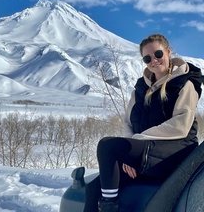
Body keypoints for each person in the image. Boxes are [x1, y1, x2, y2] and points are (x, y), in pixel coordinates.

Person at [83, 34, 203, 212]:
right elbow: (128, 122)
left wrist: (136, 143)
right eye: (147, 58)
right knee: (93, 189)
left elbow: (181, 124)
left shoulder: (185, 82)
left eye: (158, 54)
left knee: (107, 145)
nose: (154, 60)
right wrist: (129, 154)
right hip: (147, 149)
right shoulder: (141, 88)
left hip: (176, 151)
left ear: (168, 52)